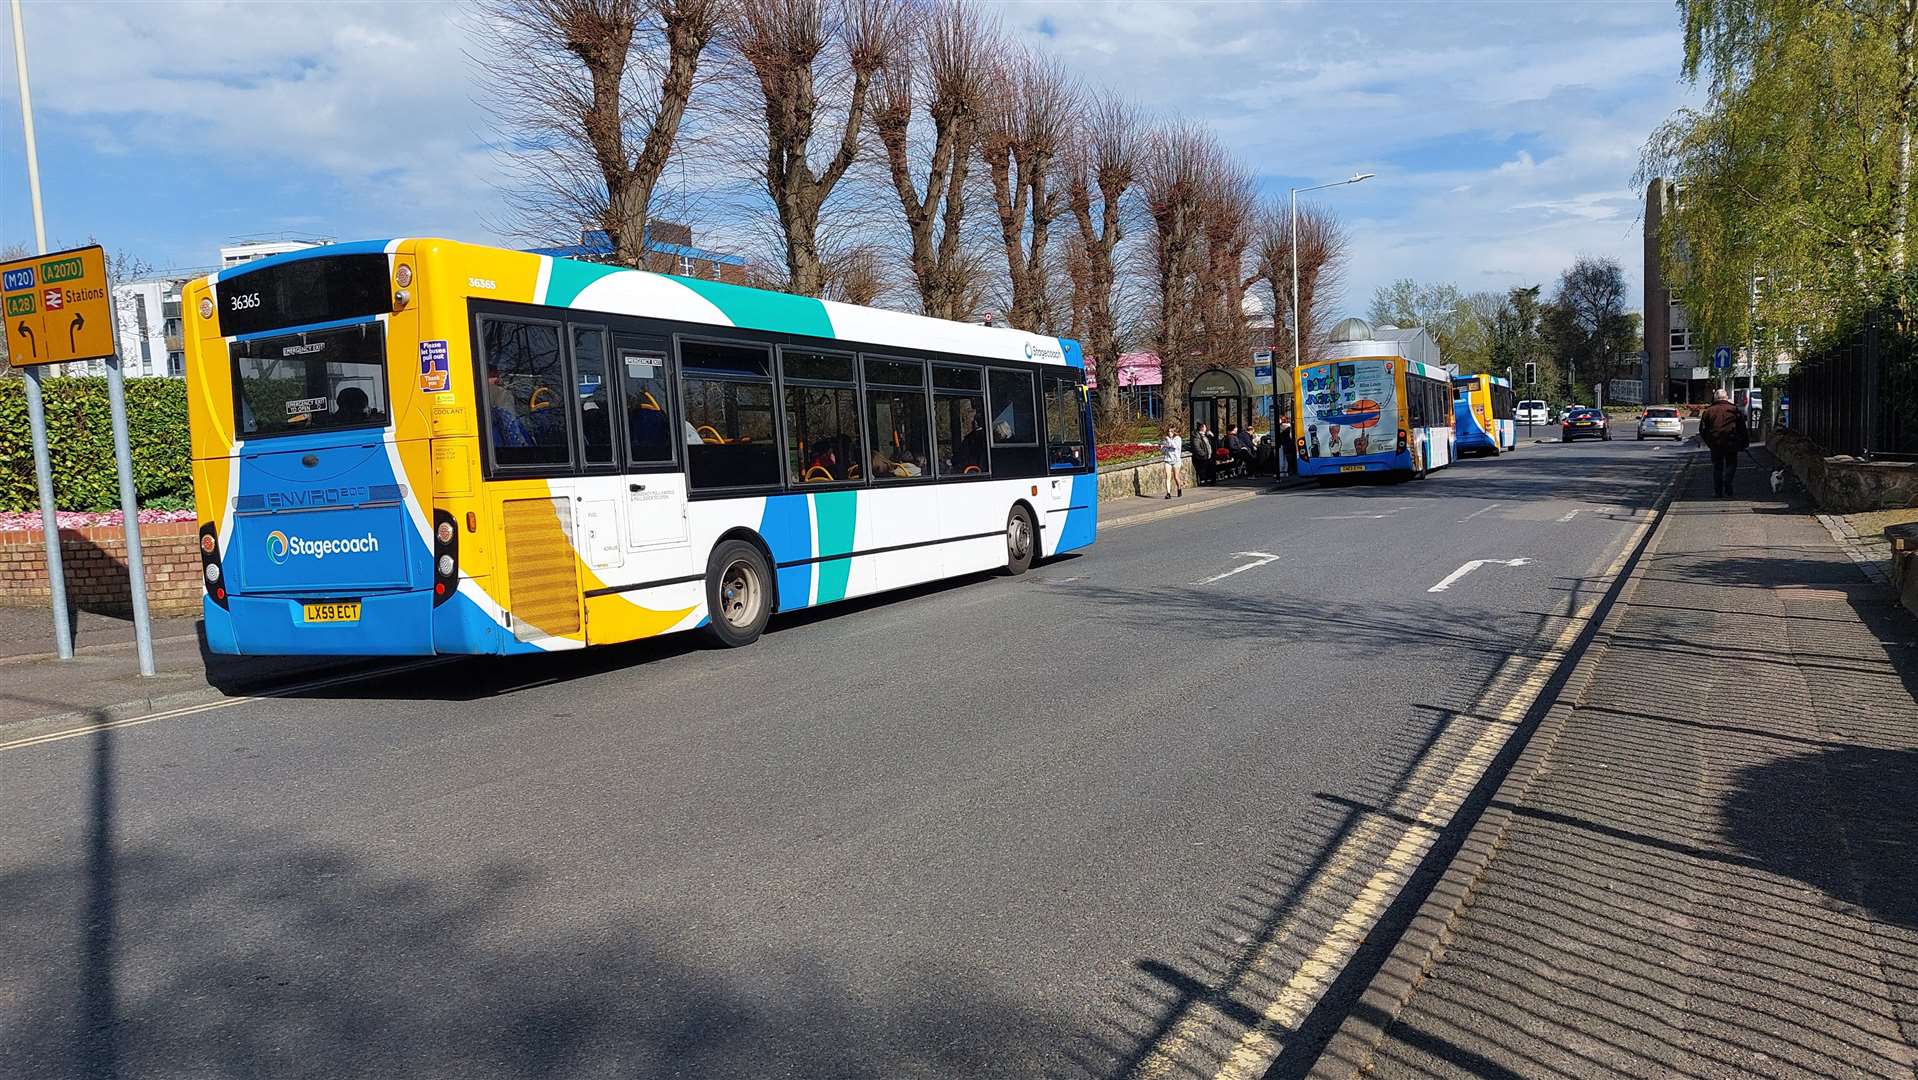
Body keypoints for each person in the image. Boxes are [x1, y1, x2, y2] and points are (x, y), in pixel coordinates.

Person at [1699, 388, 1749, 497]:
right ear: (1726, 397)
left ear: (1715, 398)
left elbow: (1702, 430)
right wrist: (1744, 442)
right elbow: (1742, 428)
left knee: (1717, 467)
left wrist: (1709, 442)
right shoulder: (1734, 410)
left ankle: (1718, 492)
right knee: (1731, 464)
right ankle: (1728, 484)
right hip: (1732, 442)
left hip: (1715, 444)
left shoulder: (1708, 411)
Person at [1159, 425, 1184, 499]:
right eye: (1168, 431)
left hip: (1176, 460)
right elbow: (1164, 450)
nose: (1169, 433)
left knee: (1176, 477)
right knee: (1168, 477)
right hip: (1168, 460)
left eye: (1171, 431)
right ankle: (1168, 493)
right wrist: (1162, 448)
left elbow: (1174, 446)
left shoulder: (1178, 439)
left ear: (1174, 432)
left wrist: (1168, 441)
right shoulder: (1166, 439)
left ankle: (1179, 488)